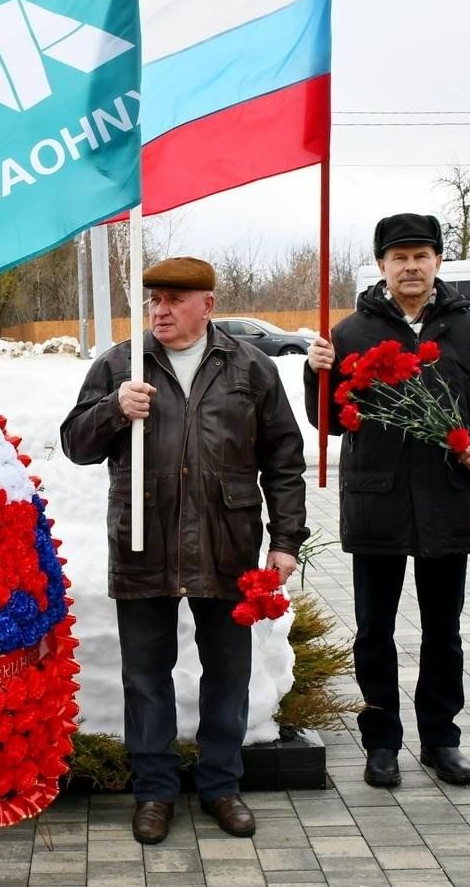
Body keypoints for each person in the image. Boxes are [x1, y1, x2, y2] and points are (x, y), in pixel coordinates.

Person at [61, 257, 308, 845]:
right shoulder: (121, 364)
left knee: (227, 671)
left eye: (174, 299)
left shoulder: (249, 367)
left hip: (226, 544)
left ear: (208, 305)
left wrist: (286, 540)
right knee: (146, 676)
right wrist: (114, 409)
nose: (160, 311)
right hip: (143, 541)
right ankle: (154, 791)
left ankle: (222, 786)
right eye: (154, 300)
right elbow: (75, 445)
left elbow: (283, 458)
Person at [303, 214, 470, 790]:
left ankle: (441, 739)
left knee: (444, 630)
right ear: (381, 266)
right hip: (378, 502)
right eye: (399, 257)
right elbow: (329, 423)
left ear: (439, 261)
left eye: (421, 255)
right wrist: (314, 372)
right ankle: (382, 741)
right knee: (374, 630)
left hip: (447, 498)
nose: (410, 266)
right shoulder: (349, 333)